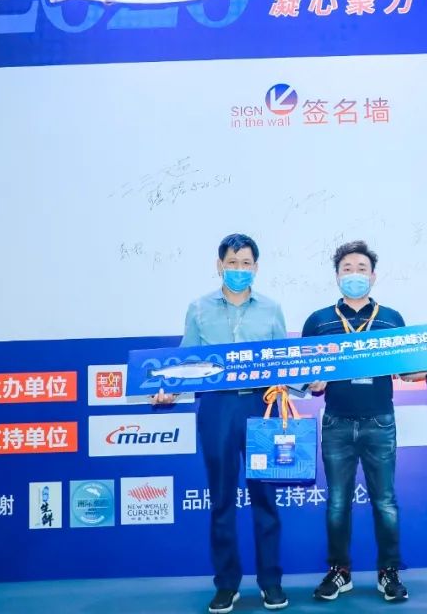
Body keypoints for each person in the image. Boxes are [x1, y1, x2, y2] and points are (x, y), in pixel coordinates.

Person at [302, 241, 427, 604]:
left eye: (361, 269)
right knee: (337, 503)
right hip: (337, 423)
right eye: (347, 269)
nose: (354, 275)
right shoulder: (319, 321)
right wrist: (313, 383)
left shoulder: (391, 319)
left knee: (385, 502)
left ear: (373, 276)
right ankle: (339, 571)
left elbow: (406, 372)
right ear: (337, 276)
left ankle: (388, 572)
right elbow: (305, 375)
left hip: (379, 422)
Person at [152, 234, 289, 614]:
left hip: (261, 407)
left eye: (246, 264)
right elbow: (185, 360)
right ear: (219, 265)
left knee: (265, 498)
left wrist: (309, 381)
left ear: (256, 268)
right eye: (232, 263)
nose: (239, 270)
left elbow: (284, 361)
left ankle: (271, 582)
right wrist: (166, 389)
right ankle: (227, 584)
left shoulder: (272, 309)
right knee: (222, 499)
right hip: (217, 407)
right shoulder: (199, 309)